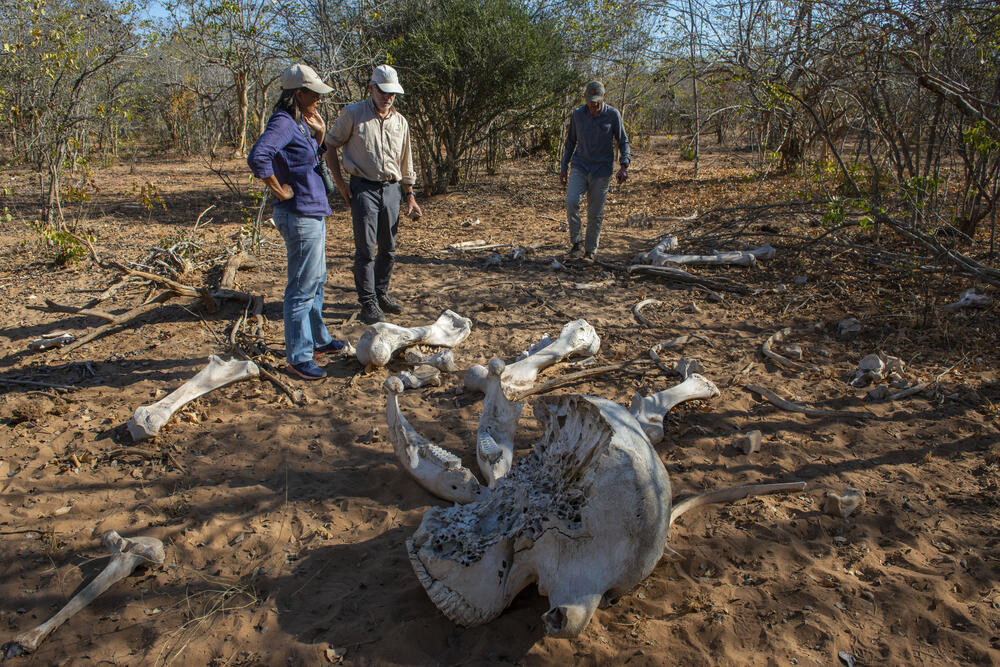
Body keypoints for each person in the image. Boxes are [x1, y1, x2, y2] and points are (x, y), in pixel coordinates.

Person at [247, 63, 345, 381]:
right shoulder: (284, 122)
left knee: (316, 282)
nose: (319, 99)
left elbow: (306, 163)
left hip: (312, 213)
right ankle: (298, 357)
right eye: (314, 93)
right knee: (301, 288)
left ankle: (318, 341)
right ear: (298, 93)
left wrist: (318, 134)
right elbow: (258, 156)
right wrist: (280, 190)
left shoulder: (301, 123)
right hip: (299, 214)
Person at [324, 64, 422, 325]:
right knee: (366, 248)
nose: (388, 97)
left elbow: (406, 160)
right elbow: (330, 144)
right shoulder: (353, 114)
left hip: (391, 189)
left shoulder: (400, 122)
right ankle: (367, 300)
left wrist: (409, 195)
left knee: (388, 248)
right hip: (363, 186)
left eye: (392, 93)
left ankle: (380, 293)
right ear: (371, 88)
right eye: (383, 91)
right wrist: (340, 183)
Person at [559, 80, 630, 262]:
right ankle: (576, 244)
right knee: (571, 201)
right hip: (580, 165)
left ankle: (590, 251)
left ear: (604, 98)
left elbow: (623, 141)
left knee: (595, 212)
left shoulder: (613, 115)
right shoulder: (577, 115)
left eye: (597, 102)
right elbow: (570, 142)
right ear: (586, 98)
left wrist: (624, 165)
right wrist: (563, 167)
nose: (594, 106)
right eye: (591, 101)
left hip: (602, 169)